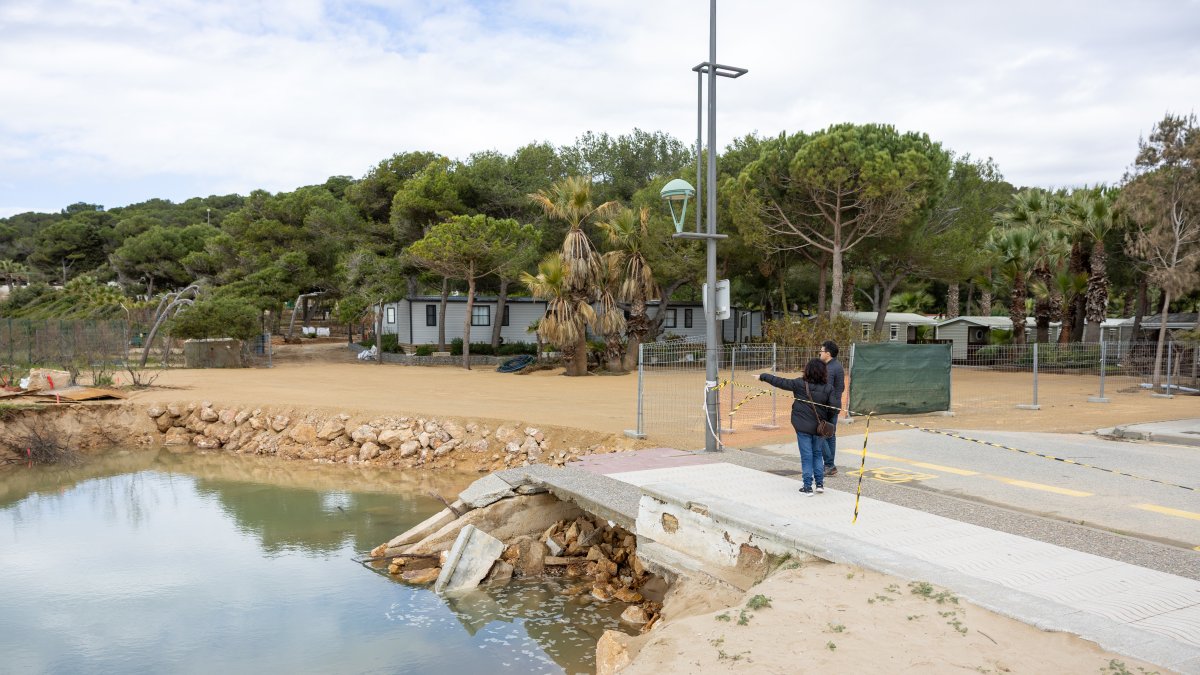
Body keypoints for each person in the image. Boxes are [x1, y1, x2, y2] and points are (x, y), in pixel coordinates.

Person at [759, 358, 837, 496]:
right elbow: (833, 409)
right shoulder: (828, 388)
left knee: (806, 456)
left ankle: (807, 486)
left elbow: (780, 382)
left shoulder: (799, 384)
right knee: (818, 454)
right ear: (823, 372)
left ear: (807, 370)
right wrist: (826, 420)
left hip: (803, 427)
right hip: (820, 428)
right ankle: (819, 484)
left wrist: (763, 376)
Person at [819, 340, 845, 476]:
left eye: (821, 351)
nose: (820, 353)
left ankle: (829, 464)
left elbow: (825, 389)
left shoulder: (829, 368)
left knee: (820, 434)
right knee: (830, 435)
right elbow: (841, 387)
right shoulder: (838, 366)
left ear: (827, 353)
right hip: (835, 405)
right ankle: (829, 466)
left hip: (826, 407)